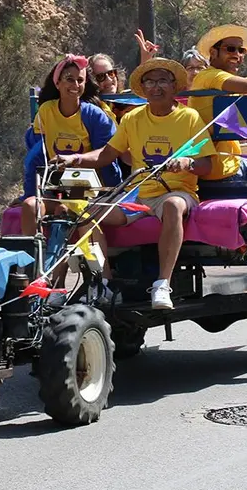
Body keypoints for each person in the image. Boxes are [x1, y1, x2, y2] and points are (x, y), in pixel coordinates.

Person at [56, 58, 216, 309]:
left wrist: (187, 163)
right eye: (150, 81)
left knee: (174, 206)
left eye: (163, 80)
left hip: (176, 192)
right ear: (142, 88)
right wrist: (74, 159)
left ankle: (162, 285)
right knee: (84, 213)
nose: (156, 86)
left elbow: (208, 165)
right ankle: (104, 283)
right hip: (138, 194)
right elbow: (105, 155)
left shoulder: (189, 117)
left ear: (174, 86)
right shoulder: (132, 119)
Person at [21, 54, 121, 237]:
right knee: (29, 206)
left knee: (65, 209)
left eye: (80, 80)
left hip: (88, 188)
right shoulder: (45, 111)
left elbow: (108, 156)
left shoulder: (95, 116)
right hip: (55, 185)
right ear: (57, 83)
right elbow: (35, 155)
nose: (75, 85)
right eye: (69, 79)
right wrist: (28, 194)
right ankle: (33, 259)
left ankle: (58, 259)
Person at [187, 24, 247, 181]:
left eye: (241, 51)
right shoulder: (212, 76)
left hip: (215, 164)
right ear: (213, 52)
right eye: (230, 49)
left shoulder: (219, 82)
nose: (237, 55)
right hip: (225, 170)